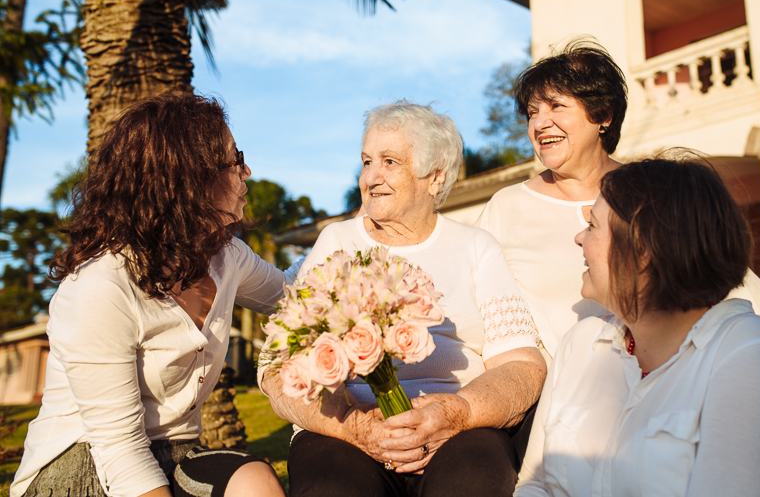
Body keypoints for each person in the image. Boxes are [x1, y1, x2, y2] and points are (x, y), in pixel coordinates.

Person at [12, 92, 291, 497]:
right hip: (83, 462)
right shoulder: (99, 287)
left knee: (255, 481)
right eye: (234, 159)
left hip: (177, 455)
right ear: (188, 177)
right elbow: (121, 453)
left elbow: (302, 300)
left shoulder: (227, 258)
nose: (246, 170)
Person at [260, 101, 546, 497]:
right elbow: (279, 364)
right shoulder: (337, 241)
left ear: (434, 177)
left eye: (389, 161)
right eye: (366, 162)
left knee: (472, 482)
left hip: (459, 430)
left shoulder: (474, 246)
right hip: (347, 429)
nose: (371, 177)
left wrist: (456, 412)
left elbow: (521, 366)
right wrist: (358, 425)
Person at [514, 154, 760, 497]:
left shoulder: (748, 354)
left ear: (644, 249)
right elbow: (535, 483)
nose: (579, 239)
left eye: (594, 225)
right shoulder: (580, 344)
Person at [476, 38, 760, 359]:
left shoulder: (654, 190)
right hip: (564, 398)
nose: (539, 123)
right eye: (532, 112)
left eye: (556, 106)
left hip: (669, 388)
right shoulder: (505, 208)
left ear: (603, 114)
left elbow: (735, 300)